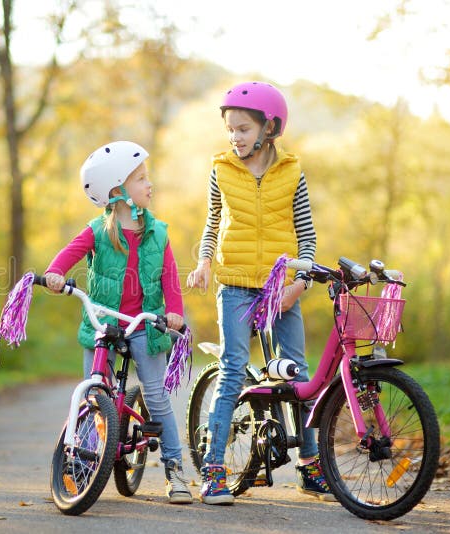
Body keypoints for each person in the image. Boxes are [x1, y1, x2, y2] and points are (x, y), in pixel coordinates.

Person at [186, 81, 333, 505]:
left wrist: (299, 283)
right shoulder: (221, 170)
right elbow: (213, 222)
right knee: (233, 367)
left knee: (298, 376)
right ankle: (214, 469)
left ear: (269, 128)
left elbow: (307, 236)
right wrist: (203, 262)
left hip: (281, 285)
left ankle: (310, 465)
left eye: (243, 129)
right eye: (230, 129)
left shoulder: (292, 173)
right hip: (234, 284)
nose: (235, 137)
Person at [44, 141, 193, 505]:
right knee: (94, 393)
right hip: (105, 322)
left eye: (146, 177)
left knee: (156, 395)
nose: (149, 184)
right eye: (141, 178)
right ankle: (80, 462)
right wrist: (54, 273)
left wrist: (174, 311)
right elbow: (69, 254)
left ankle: (175, 469)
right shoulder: (97, 230)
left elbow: (170, 277)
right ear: (117, 191)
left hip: (144, 323)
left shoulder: (157, 232)